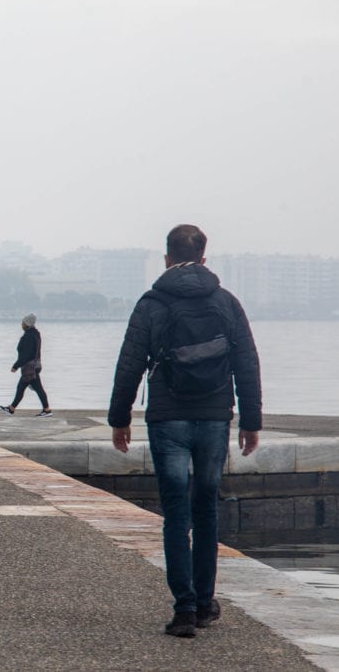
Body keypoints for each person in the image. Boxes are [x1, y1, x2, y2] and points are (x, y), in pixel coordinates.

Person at [108, 224, 262, 638]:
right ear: (205, 259)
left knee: (176, 513)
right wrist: (251, 421)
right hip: (214, 417)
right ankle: (207, 602)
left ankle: (185, 609)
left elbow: (130, 363)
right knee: (206, 509)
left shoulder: (152, 304)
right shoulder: (227, 303)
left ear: (166, 259)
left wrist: (119, 418)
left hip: (167, 417)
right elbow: (247, 363)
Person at [0, 314, 52, 417]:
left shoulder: (29, 336)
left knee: (22, 387)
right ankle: (46, 409)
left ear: (27, 324)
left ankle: (11, 409)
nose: (21, 325)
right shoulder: (35, 334)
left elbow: (26, 354)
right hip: (35, 365)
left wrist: (16, 365)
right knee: (36, 388)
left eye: (23, 323)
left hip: (29, 367)